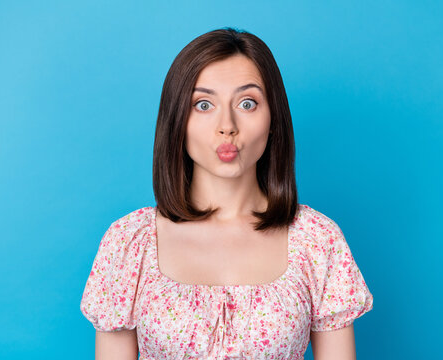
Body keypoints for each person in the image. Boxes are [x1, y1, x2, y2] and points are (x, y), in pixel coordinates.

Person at [80, 27, 373, 360]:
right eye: (203, 104)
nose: (227, 125)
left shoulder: (318, 241)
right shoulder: (129, 243)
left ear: (273, 118)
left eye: (247, 103)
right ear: (177, 120)